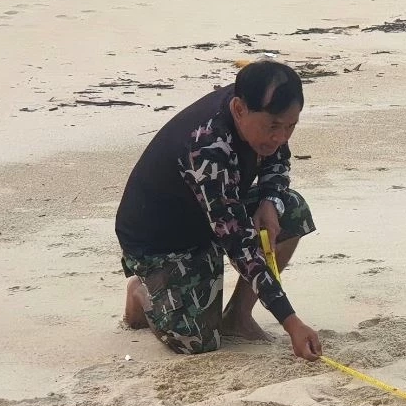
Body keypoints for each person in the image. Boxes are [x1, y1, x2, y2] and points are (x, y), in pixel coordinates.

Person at [115, 60, 321, 360]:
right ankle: (142, 293)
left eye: (291, 126)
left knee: (291, 209)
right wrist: (291, 322)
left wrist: (269, 200)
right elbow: (238, 243)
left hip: (213, 216)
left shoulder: (261, 115)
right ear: (239, 109)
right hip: (162, 241)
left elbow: (278, 159)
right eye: (273, 126)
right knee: (196, 341)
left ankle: (238, 317)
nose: (281, 136)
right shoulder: (207, 145)